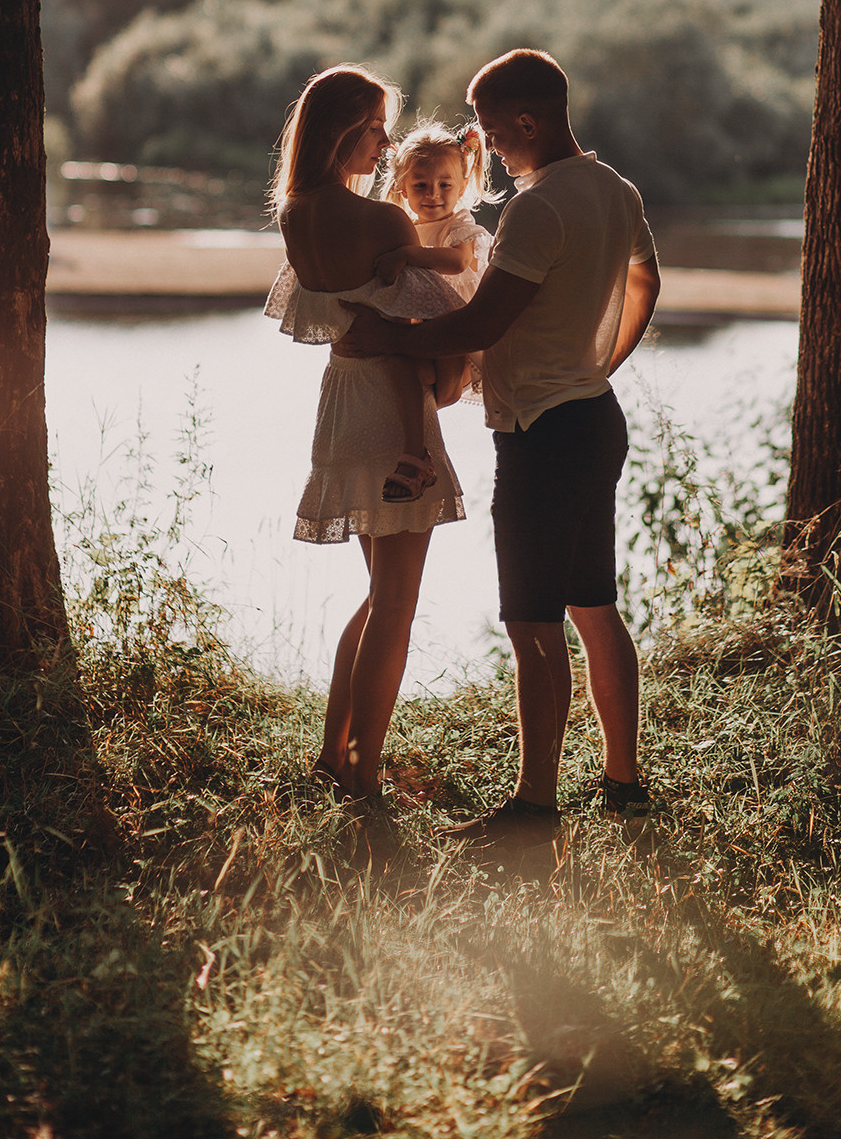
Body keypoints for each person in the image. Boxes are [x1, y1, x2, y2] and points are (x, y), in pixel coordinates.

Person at [340, 48, 661, 852]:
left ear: (527, 120)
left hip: (541, 437)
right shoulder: (616, 189)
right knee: (594, 607)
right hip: (594, 417)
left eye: (489, 125)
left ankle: (534, 808)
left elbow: (483, 324)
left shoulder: (538, 209)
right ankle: (623, 782)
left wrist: (393, 332)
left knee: (532, 623)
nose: (484, 141)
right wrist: (596, 366)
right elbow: (646, 282)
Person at [264, 65, 468, 801]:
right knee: (396, 603)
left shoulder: (295, 215)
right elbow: (442, 324)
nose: (386, 145)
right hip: (392, 410)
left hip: (341, 406)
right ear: (346, 128)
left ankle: (333, 754)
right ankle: (364, 773)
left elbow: (329, 324)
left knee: (380, 593)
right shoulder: (383, 222)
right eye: (378, 127)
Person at [373, 121, 497, 498]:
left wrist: (408, 254)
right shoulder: (402, 227)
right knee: (398, 364)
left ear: (462, 186)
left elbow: (457, 263)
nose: (433, 195)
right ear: (401, 188)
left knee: (432, 384)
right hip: (423, 335)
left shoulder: (460, 227)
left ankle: (415, 449)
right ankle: (415, 455)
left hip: (456, 336)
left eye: (445, 185)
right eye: (420, 186)